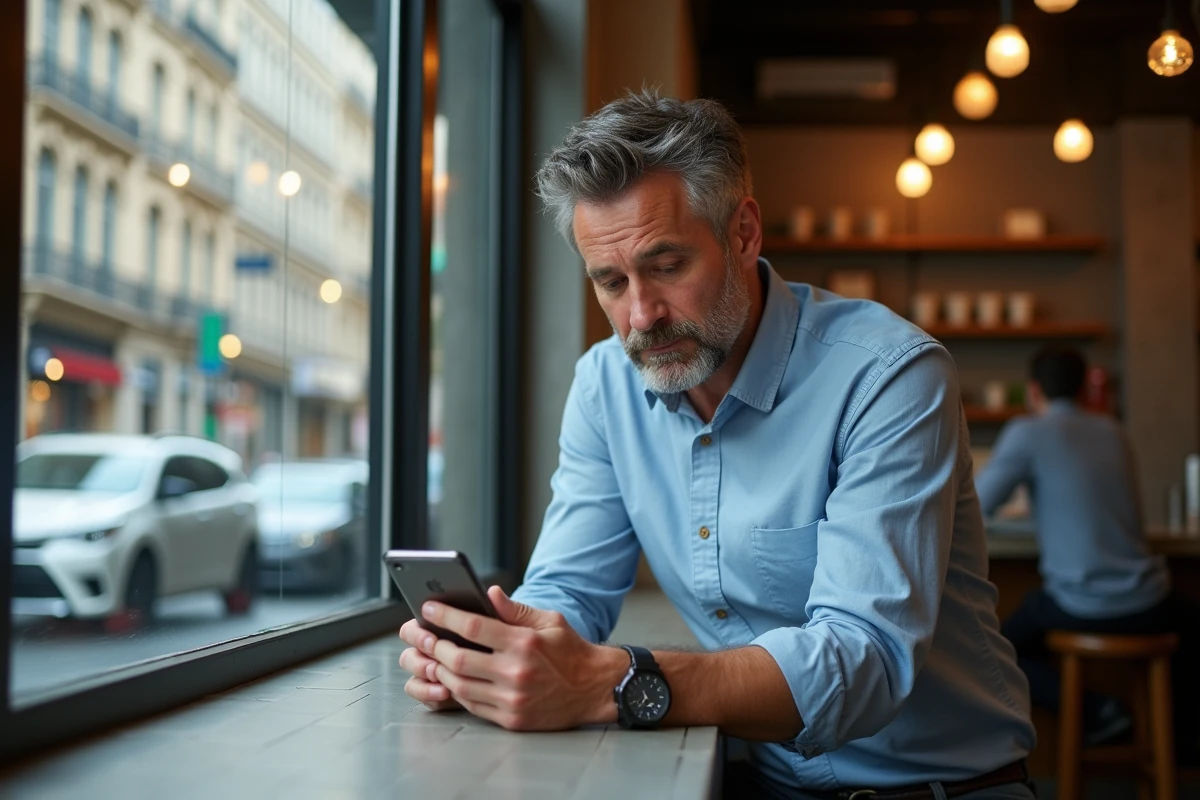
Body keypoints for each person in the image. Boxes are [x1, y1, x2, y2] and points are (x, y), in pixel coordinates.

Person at [398, 90, 1036, 798]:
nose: (640, 315)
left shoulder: (889, 376)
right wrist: (501, 654)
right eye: (610, 282)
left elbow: (865, 661)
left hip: (944, 789)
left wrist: (610, 680)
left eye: (667, 266)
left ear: (743, 232)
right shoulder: (605, 385)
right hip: (762, 783)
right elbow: (570, 586)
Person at [977, 346, 1194, 757]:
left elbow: (980, 505)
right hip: (1149, 600)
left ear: (1034, 389)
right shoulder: (1112, 429)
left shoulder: (1028, 431)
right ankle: (1176, 745)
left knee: (997, 651)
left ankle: (1100, 711)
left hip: (1080, 603)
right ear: (1083, 388)